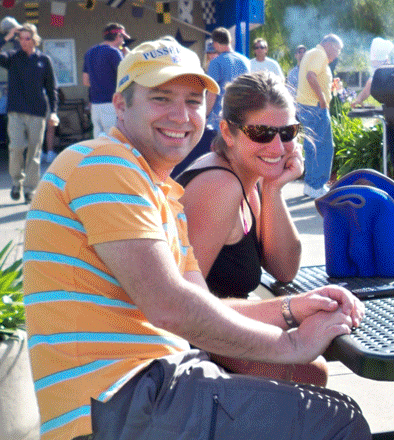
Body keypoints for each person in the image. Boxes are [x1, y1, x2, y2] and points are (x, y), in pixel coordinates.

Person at [23, 37, 370, 440]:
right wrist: (288, 343)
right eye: (161, 98)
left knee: (317, 396)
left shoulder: (161, 190)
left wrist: (294, 308)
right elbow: (172, 308)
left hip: (153, 387)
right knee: (333, 419)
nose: (180, 115)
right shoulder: (103, 162)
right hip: (114, 402)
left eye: (192, 101)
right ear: (121, 106)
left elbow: (199, 302)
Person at [176, 70, 329, 387]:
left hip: (217, 334)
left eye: (287, 132)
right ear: (228, 133)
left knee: (313, 360)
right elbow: (182, 307)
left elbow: (284, 268)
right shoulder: (219, 186)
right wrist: (289, 311)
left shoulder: (251, 175)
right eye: (261, 133)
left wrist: (274, 189)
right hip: (189, 353)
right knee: (311, 371)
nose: (277, 146)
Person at [172, 28, 250, 179]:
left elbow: (212, 93)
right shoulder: (245, 61)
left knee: (217, 159)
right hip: (241, 117)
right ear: (229, 40)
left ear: (215, 43)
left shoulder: (216, 63)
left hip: (219, 120)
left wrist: (205, 114)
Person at [1, 23, 57, 204]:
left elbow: (51, 89)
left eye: (27, 38)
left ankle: (30, 189)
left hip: (37, 112)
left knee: (34, 152)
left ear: (34, 39)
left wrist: (54, 113)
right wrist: (7, 37)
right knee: (16, 147)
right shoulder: (12, 58)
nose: (23, 41)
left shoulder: (44, 60)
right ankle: (17, 181)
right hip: (16, 112)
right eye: (20, 38)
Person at [350, 37, 394, 179]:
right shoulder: (392, 68)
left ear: (377, 59)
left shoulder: (381, 71)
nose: (371, 63)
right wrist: (359, 99)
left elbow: (369, 85)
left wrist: (358, 100)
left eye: (373, 61)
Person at [298, 33, 342, 198]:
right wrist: (323, 99)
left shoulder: (311, 53)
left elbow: (313, 76)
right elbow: (311, 76)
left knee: (311, 147)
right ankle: (317, 186)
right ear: (329, 44)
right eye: (337, 49)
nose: (337, 53)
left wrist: (328, 87)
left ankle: (310, 185)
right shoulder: (320, 54)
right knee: (324, 147)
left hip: (307, 105)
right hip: (316, 107)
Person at [83, 23, 130, 139]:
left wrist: (100, 82)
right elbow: (126, 76)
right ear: (118, 36)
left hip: (95, 105)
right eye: (122, 37)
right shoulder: (114, 52)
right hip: (111, 104)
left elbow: (85, 81)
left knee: (99, 142)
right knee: (114, 140)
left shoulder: (90, 52)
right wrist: (128, 57)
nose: (123, 41)